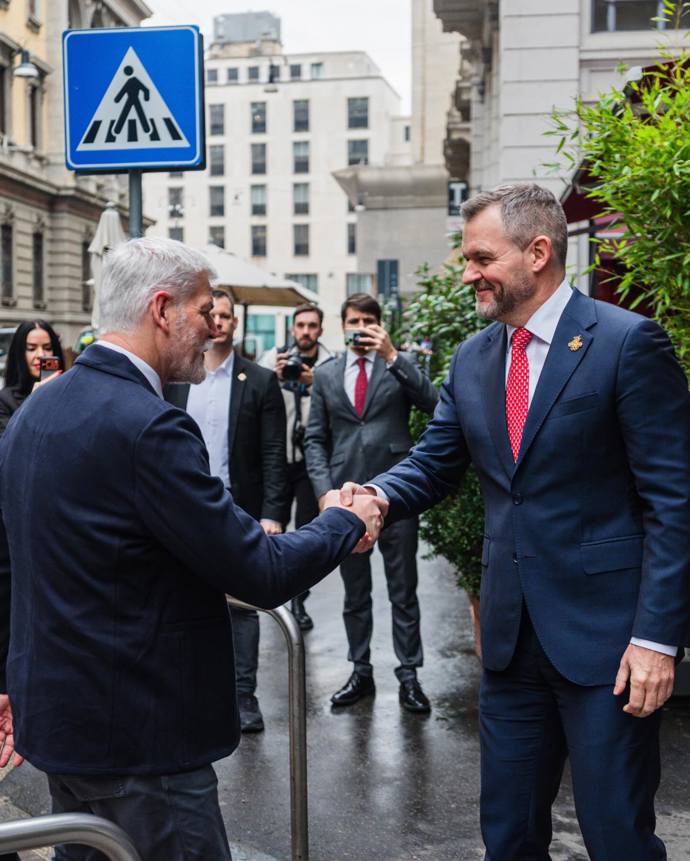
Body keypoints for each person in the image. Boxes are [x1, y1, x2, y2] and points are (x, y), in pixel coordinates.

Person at [0, 237, 386, 861]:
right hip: (141, 742)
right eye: (205, 309)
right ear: (161, 309)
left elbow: (15, 565)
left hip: (64, 727)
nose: (214, 326)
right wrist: (345, 519)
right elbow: (258, 570)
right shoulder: (149, 426)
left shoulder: (37, 411)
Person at [340, 184, 690, 859]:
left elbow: (673, 501)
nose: (467, 273)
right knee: (507, 837)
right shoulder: (474, 358)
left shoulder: (627, 342)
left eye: (481, 258)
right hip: (508, 642)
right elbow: (433, 463)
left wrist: (656, 639)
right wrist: (375, 496)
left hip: (609, 648)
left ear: (537, 252)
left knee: (617, 838)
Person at [305, 294, 438, 713]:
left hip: (397, 496)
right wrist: (324, 492)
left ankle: (409, 674)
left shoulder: (397, 364)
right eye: (353, 321)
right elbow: (314, 439)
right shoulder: (326, 374)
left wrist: (393, 356)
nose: (360, 327)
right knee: (355, 592)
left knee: (404, 589)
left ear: (379, 324)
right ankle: (360, 670)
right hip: (345, 500)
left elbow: (434, 404)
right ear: (342, 325)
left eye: (367, 320)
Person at [166, 289, 288, 734]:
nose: (217, 322)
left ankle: (243, 695)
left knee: (243, 605)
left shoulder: (259, 380)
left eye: (225, 315)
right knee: (182, 597)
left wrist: (272, 513)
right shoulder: (177, 379)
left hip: (240, 504)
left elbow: (273, 452)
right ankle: (191, 691)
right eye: (211, 314)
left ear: (235, 323)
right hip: (184, 503)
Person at [259, 303, 334, 630]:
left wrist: (315, 381)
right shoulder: (272, 359)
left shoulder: (329, 365)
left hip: (310, 463)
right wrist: (271, 377)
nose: (306, 332)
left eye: (312, 326)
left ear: (320, 330)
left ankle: (298, 602)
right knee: (270, 527)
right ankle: (269, 592)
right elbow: (255, 395)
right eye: (301, 325)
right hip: (277, 459)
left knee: (305, 534)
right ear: (292, 329)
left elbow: (338, 405)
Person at [0, 320, 64, 437]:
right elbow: (9, 443)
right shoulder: (4, 401)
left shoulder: (68, 392)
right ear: (19, 353)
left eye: (47, 348)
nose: (41, 354)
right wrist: (33, 402)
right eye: (31, 348)